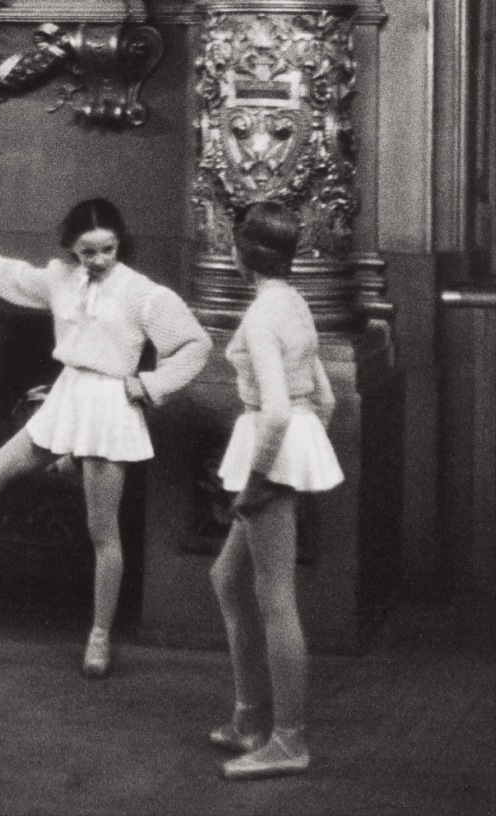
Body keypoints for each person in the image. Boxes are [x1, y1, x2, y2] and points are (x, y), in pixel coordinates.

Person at [0, 199, 212, 678]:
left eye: (108, 249)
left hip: (109, 406)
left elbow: (196, 345)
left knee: (102, 529)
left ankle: (98, 635)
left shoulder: (145, 294)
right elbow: (12, 275)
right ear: (71, 248)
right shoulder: (60, 279)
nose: (98, 260)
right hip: (67, 395)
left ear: (120, 244)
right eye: (87, 251)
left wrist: (151, 384)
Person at [208, 200, 343, 779]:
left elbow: (278, 413)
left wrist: (265, 479)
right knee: (226, 579)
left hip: (270, 448)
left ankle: (288, 740)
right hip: (288, 447)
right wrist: (301, 460)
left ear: (242, 257)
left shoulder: (263, 318)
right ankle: (249, 719)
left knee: (274, 597)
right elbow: (326, 399)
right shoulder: (295, 302)